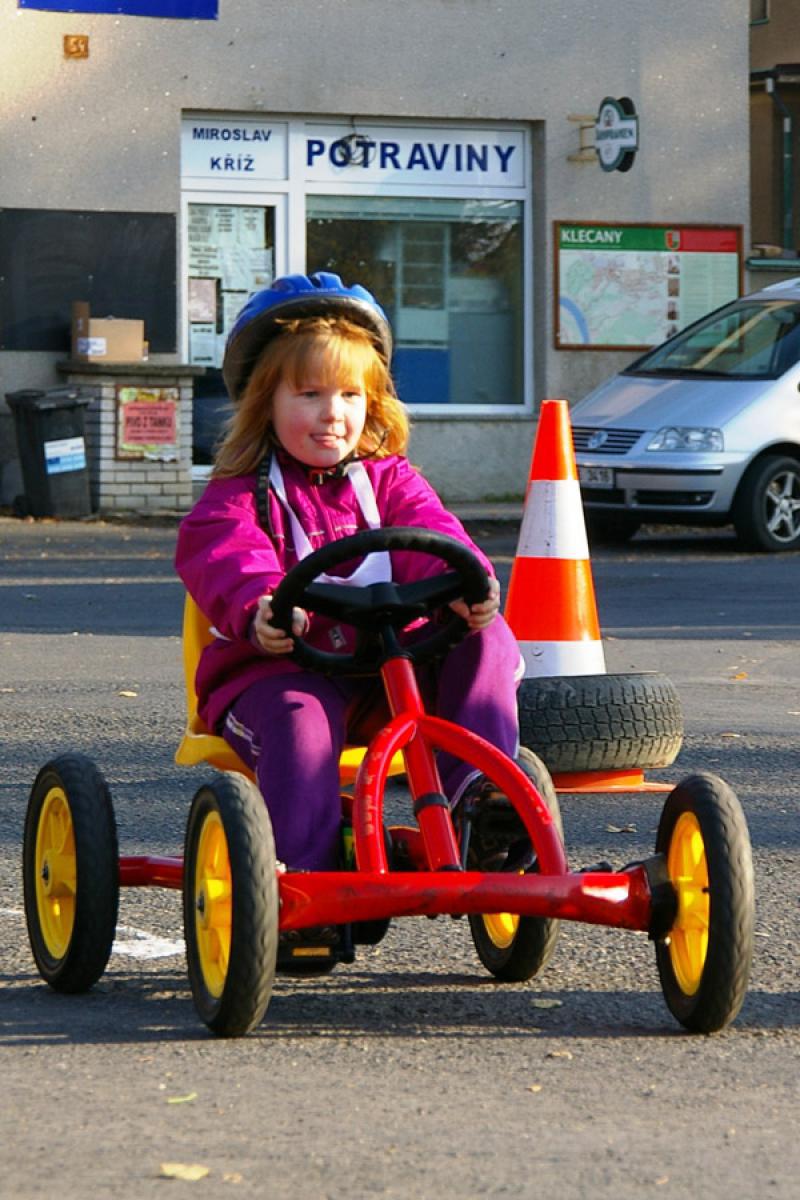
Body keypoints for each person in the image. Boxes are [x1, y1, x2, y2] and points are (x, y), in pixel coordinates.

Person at [175, 272, 522, 878]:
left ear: (373, 403)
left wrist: (466, 587)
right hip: (276, 673)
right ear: (267, 402)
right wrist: (263, 605)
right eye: (308, 395)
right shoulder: (235, 497)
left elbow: (434, 534)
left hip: (391, 673)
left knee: (488, 637)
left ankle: (481, 801)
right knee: (302, 721)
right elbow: (228, 557)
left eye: (350, 396)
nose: (332, 415)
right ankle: (305, 882)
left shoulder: (390, 480)